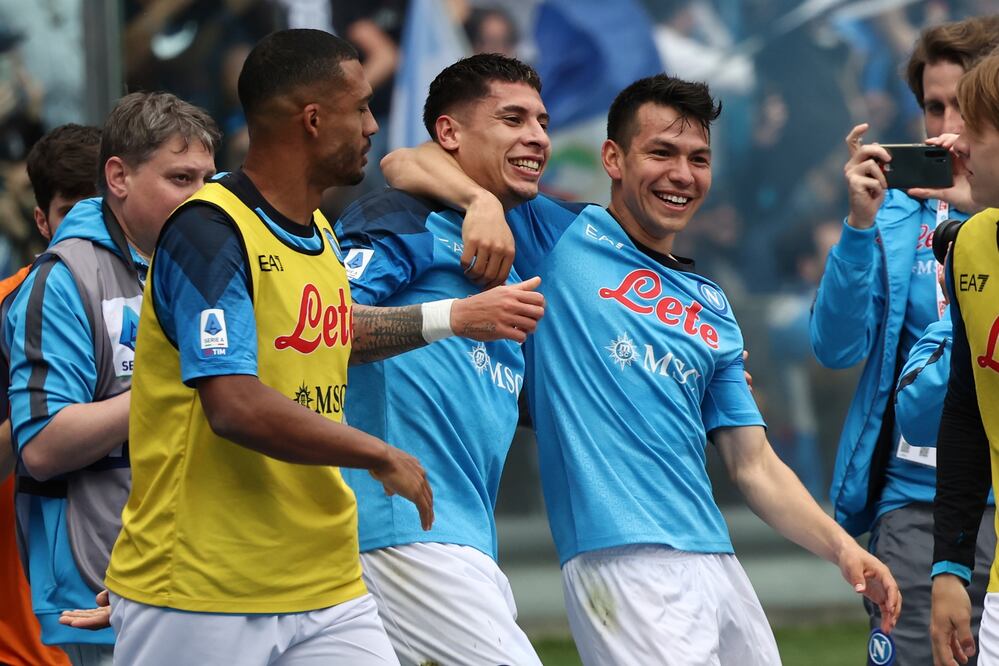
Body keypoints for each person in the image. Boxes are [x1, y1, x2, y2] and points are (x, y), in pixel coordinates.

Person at [383, 72, 900, 665]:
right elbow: (405, 162)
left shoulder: (712, 304)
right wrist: (481, 203)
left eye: (698, 158)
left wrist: (842, 548)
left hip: (716, 559)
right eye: (661, 153)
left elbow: (753, 464)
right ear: (613, 159)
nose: (682, 174)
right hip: (621, 562)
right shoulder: (556, 232)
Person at [102, 29, 544, 664]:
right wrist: (378, 452)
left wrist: (452, 318)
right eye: (361, 108)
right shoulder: (208, 232)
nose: (373, 125)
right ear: (313, 120)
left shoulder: (321, 235)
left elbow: (343, 333)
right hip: (205, 581)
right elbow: (234, 405)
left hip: (326, 582)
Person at [335, 53, 546, 665]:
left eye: (542, 121)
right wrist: (453, 317)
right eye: (513, 119)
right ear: (450, 133)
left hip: (458, 537)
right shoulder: (403, 218)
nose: (537, 136)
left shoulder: (512, 251)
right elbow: (324, 332)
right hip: (398, 529)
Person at [3, 94, 218, 666]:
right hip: (101, 583)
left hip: (205, 571)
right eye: (180, 178)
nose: (201, 196)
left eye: (207, 178)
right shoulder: (62, 278)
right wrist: (180, 385)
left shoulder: (207, 259)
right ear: (118, 178)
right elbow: (42, 445)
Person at [810, 16, 999, 661]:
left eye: (963, 106)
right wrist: (859, 227)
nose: (946, 124)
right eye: (933, 107)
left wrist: (984, 215)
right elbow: (834, 348)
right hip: (916, 502)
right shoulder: (891, 209)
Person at [0, 123, 100, 666]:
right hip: (27, 633)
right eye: (70, 213)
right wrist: (44, 416)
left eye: (100, 210)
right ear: (42, 221)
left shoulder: (165, 294)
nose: (88, 230)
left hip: (149, 598)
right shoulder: (9, 305)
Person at [930, 50, 999, 666]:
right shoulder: (968, 245)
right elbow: (967, 412)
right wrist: (950, 566)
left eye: (974, 127)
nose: (960, 144)